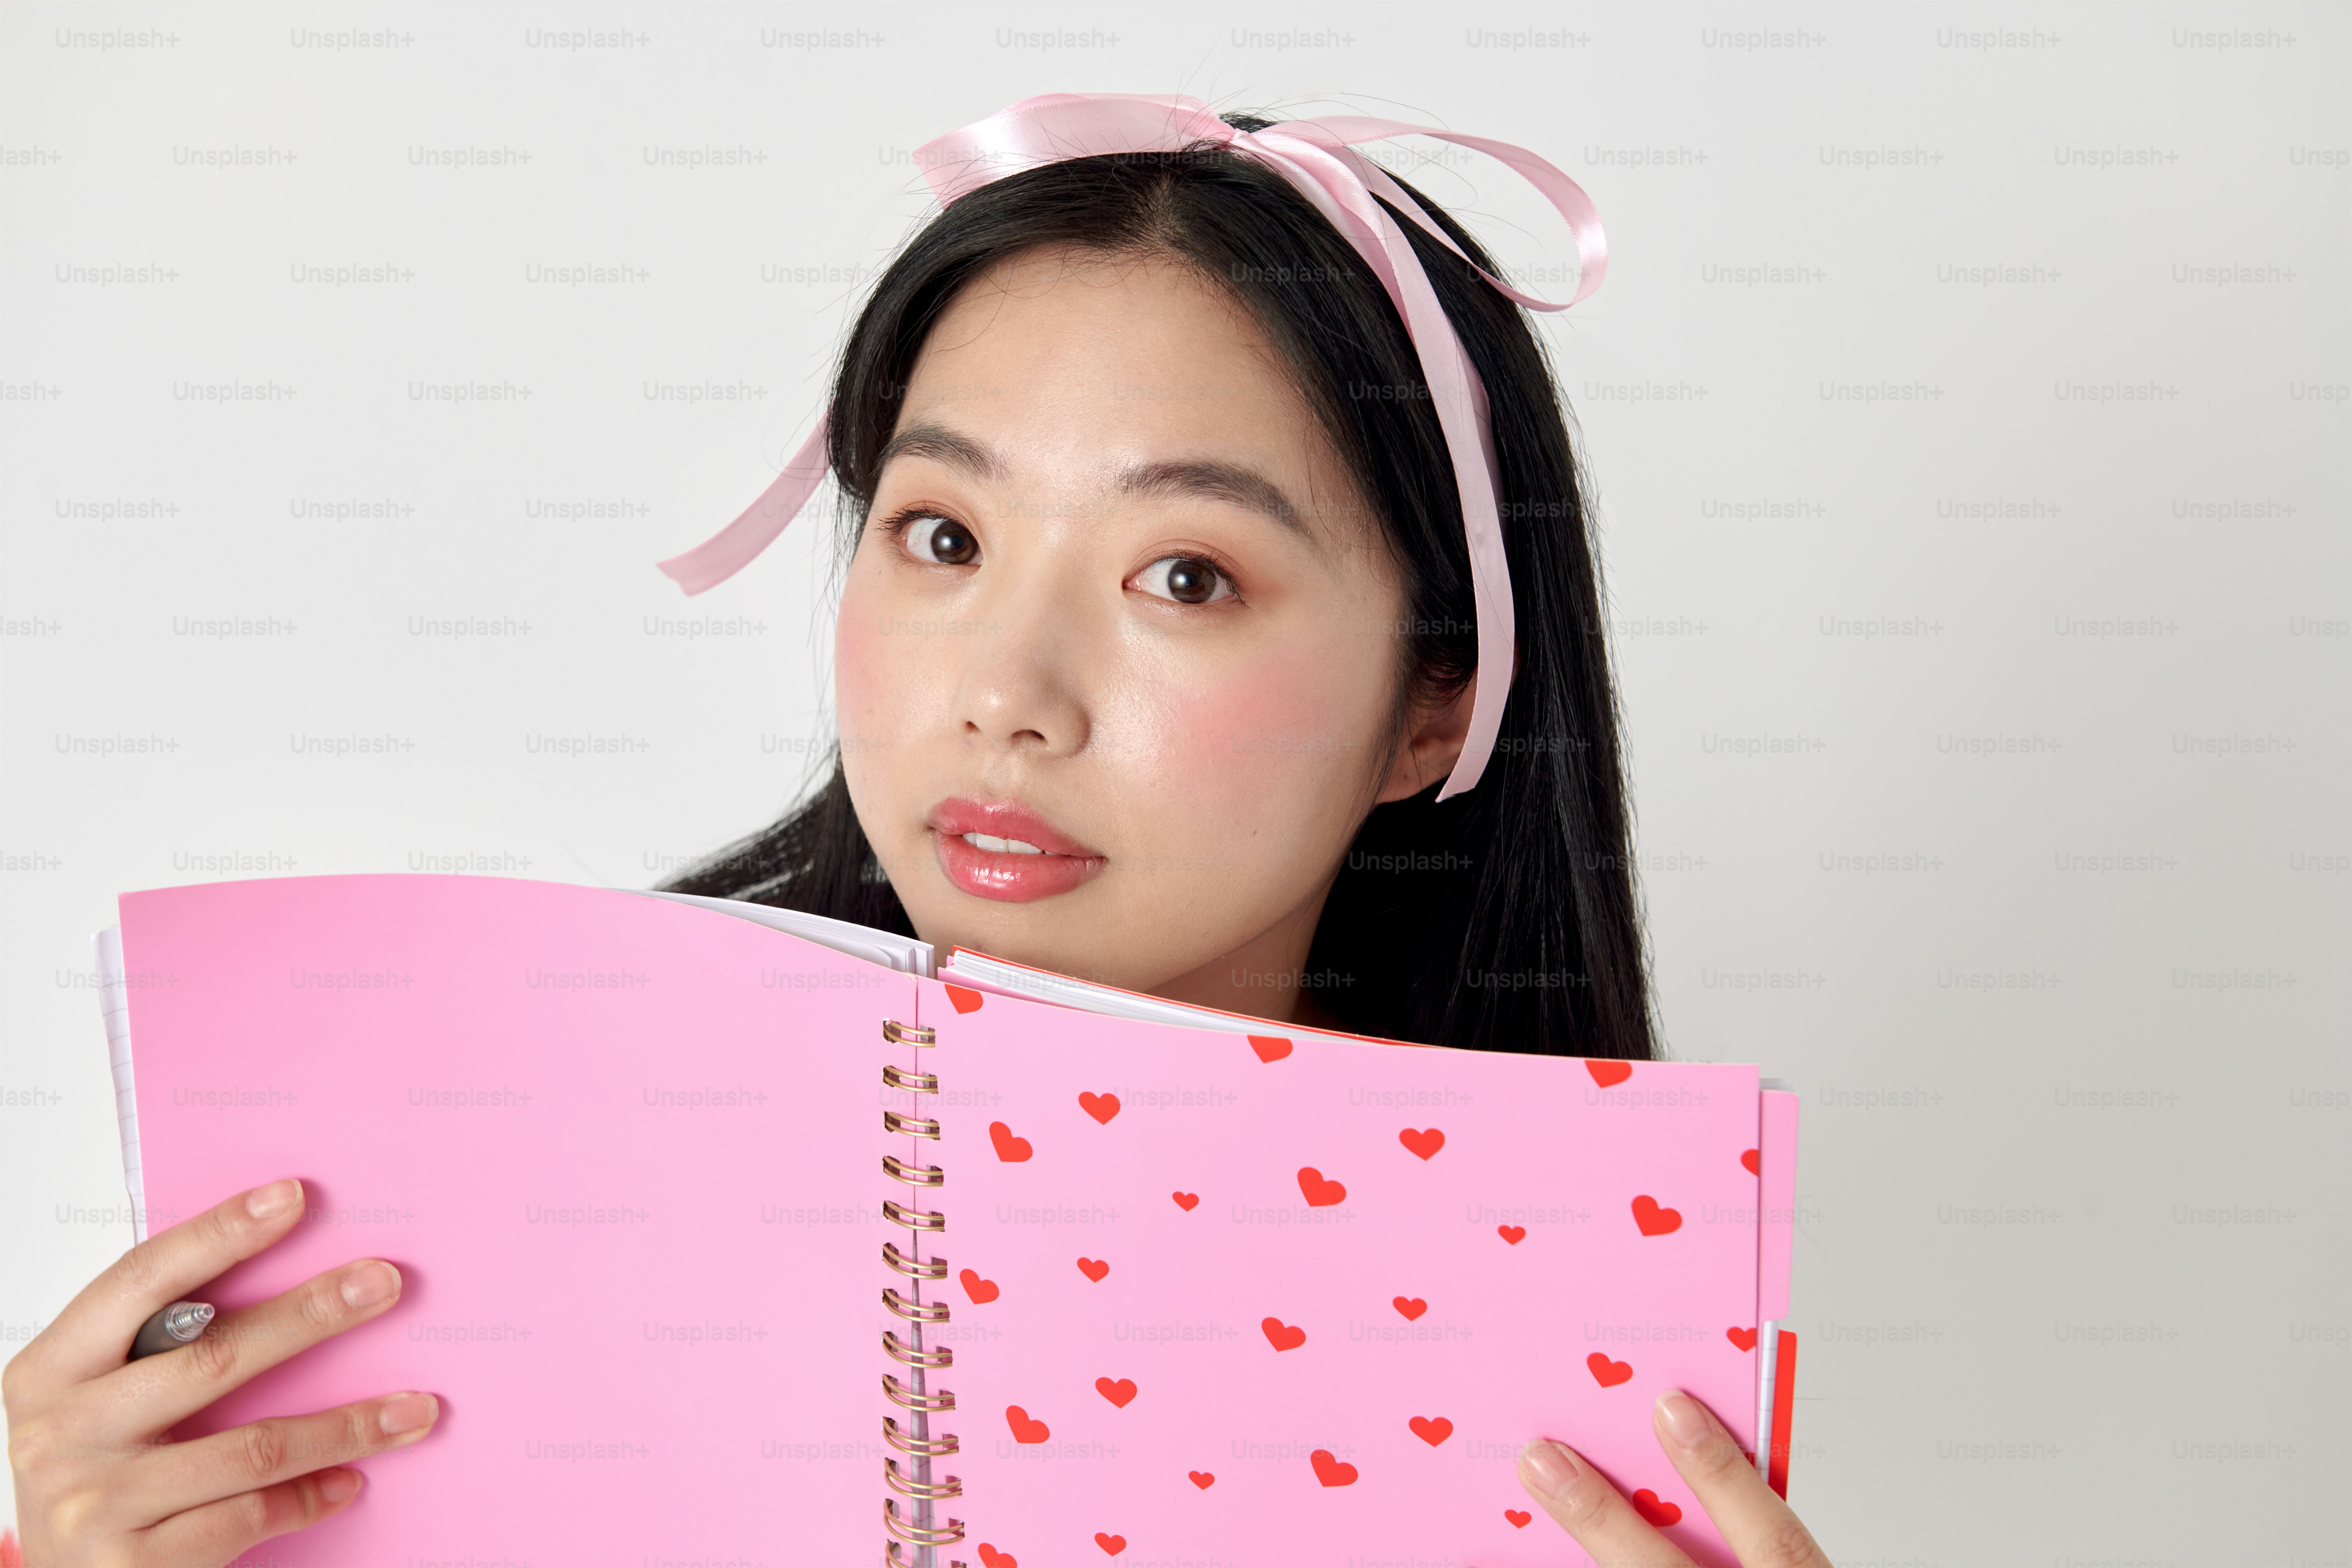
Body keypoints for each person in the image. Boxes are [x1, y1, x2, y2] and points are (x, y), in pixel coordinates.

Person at [3, 103, 1828, 1568]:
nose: (1008, 693)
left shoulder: (1597, 1364)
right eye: (943, 535)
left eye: (1186, 575)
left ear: (1439, 703)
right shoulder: (459, 1155)